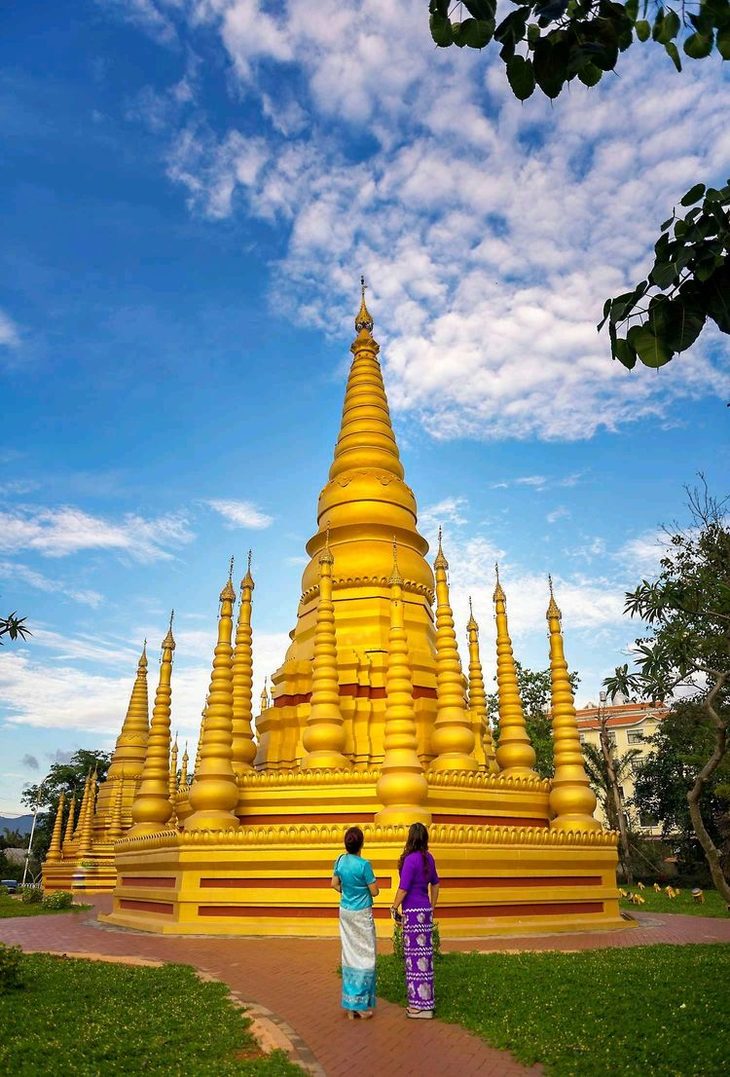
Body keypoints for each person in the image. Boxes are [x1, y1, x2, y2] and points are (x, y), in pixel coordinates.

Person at [390, 821, 440, 1019]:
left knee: (413, 960)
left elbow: (403, 888)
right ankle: (427, 1003)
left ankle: (417, 1006)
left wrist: (394, 907)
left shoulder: (410, 860)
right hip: (425, 911)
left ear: (410, 838)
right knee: (425, 959)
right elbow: (436, 884)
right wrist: (432, 906)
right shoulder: (429, 859)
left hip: (411, 911)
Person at [331, 825, 379, 1019]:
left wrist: (347, 892)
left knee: (350, 954)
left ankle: (350, 1004)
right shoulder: (364, 865)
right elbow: (374, 891)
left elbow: (334, 884)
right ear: (362, 844)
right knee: (367, 956)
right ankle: (359, 1004)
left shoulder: (340, 860)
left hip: (345, 912)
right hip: (361, 914)